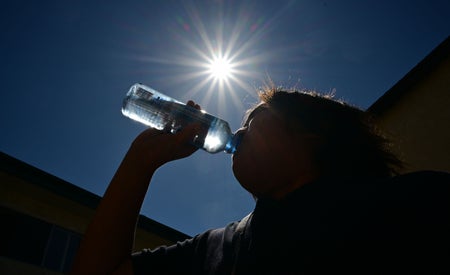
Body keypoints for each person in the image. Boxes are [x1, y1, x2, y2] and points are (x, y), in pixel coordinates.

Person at [71, 87, 450, 274]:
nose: (239, 129)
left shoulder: (412, 203)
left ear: (310, 134)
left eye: (254, 119)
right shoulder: (216, 248)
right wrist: (140, 162)